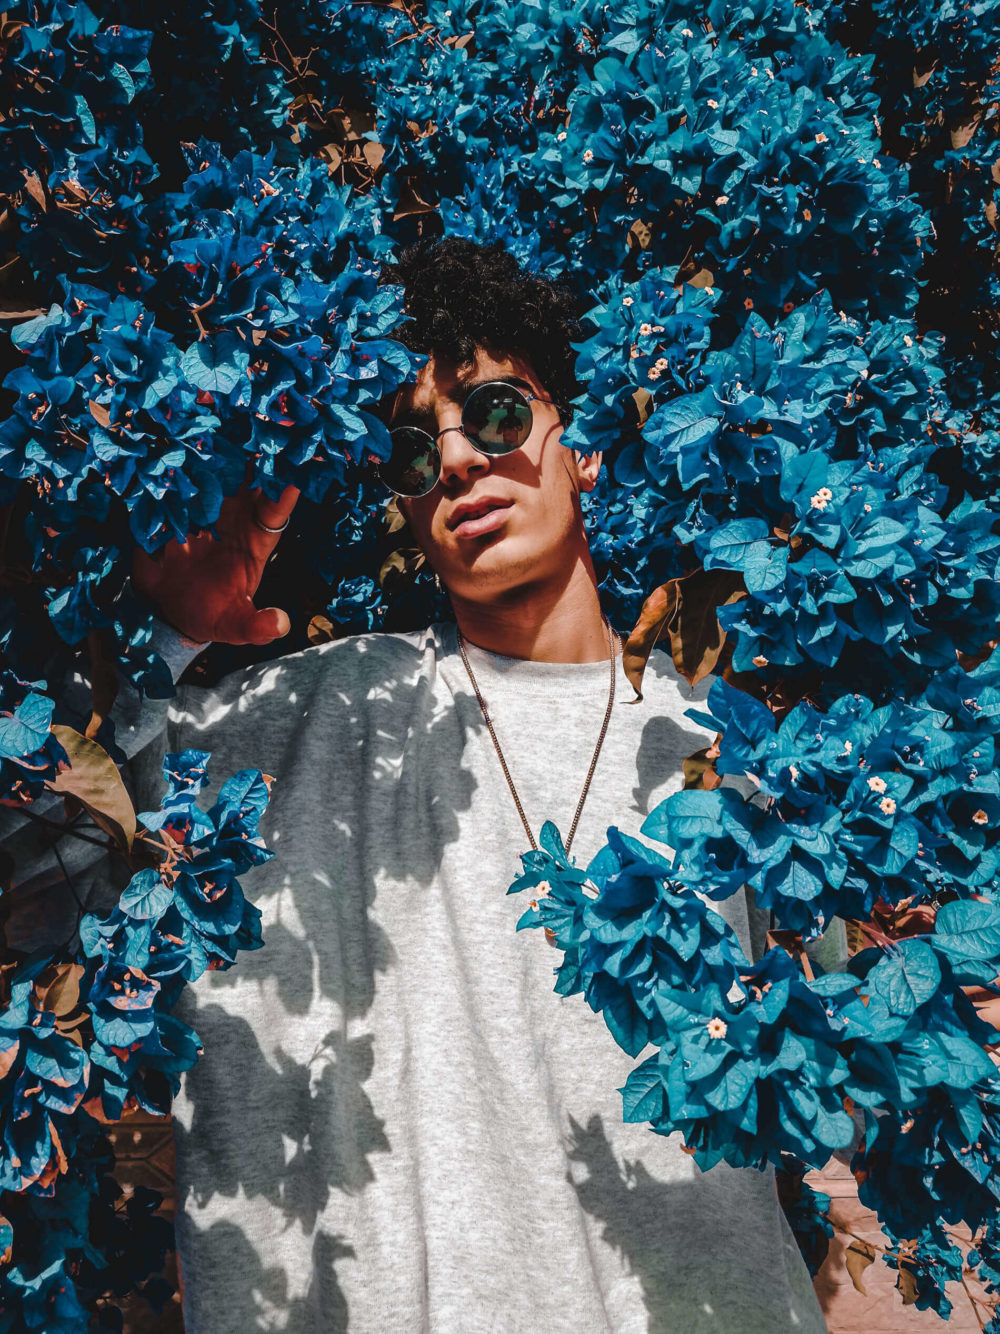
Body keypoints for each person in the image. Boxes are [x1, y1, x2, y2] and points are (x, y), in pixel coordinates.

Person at [20, 239, 840, 1331]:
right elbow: (26, 869)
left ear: (583, 448)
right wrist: (167, 639)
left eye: (496, 415)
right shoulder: (298, 722)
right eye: (412, 451)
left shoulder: (726, 751)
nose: (455, 462)